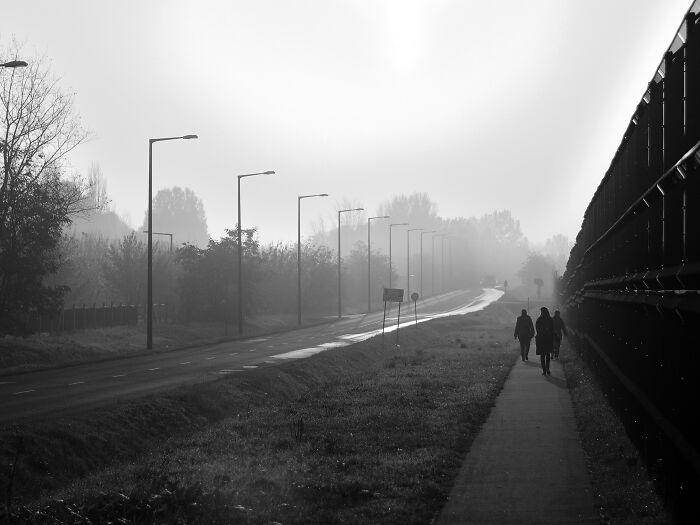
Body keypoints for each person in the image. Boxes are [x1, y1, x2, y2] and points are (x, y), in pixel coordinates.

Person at [535, 307, 554, 376]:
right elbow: (552, 329)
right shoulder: (550, 319)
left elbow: (537, 329)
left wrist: (542, 331)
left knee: (542, 355)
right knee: (547, 354)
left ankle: (544, 370)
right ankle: (547, 369)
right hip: (548, 339)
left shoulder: (539, 320)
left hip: (542, 339)